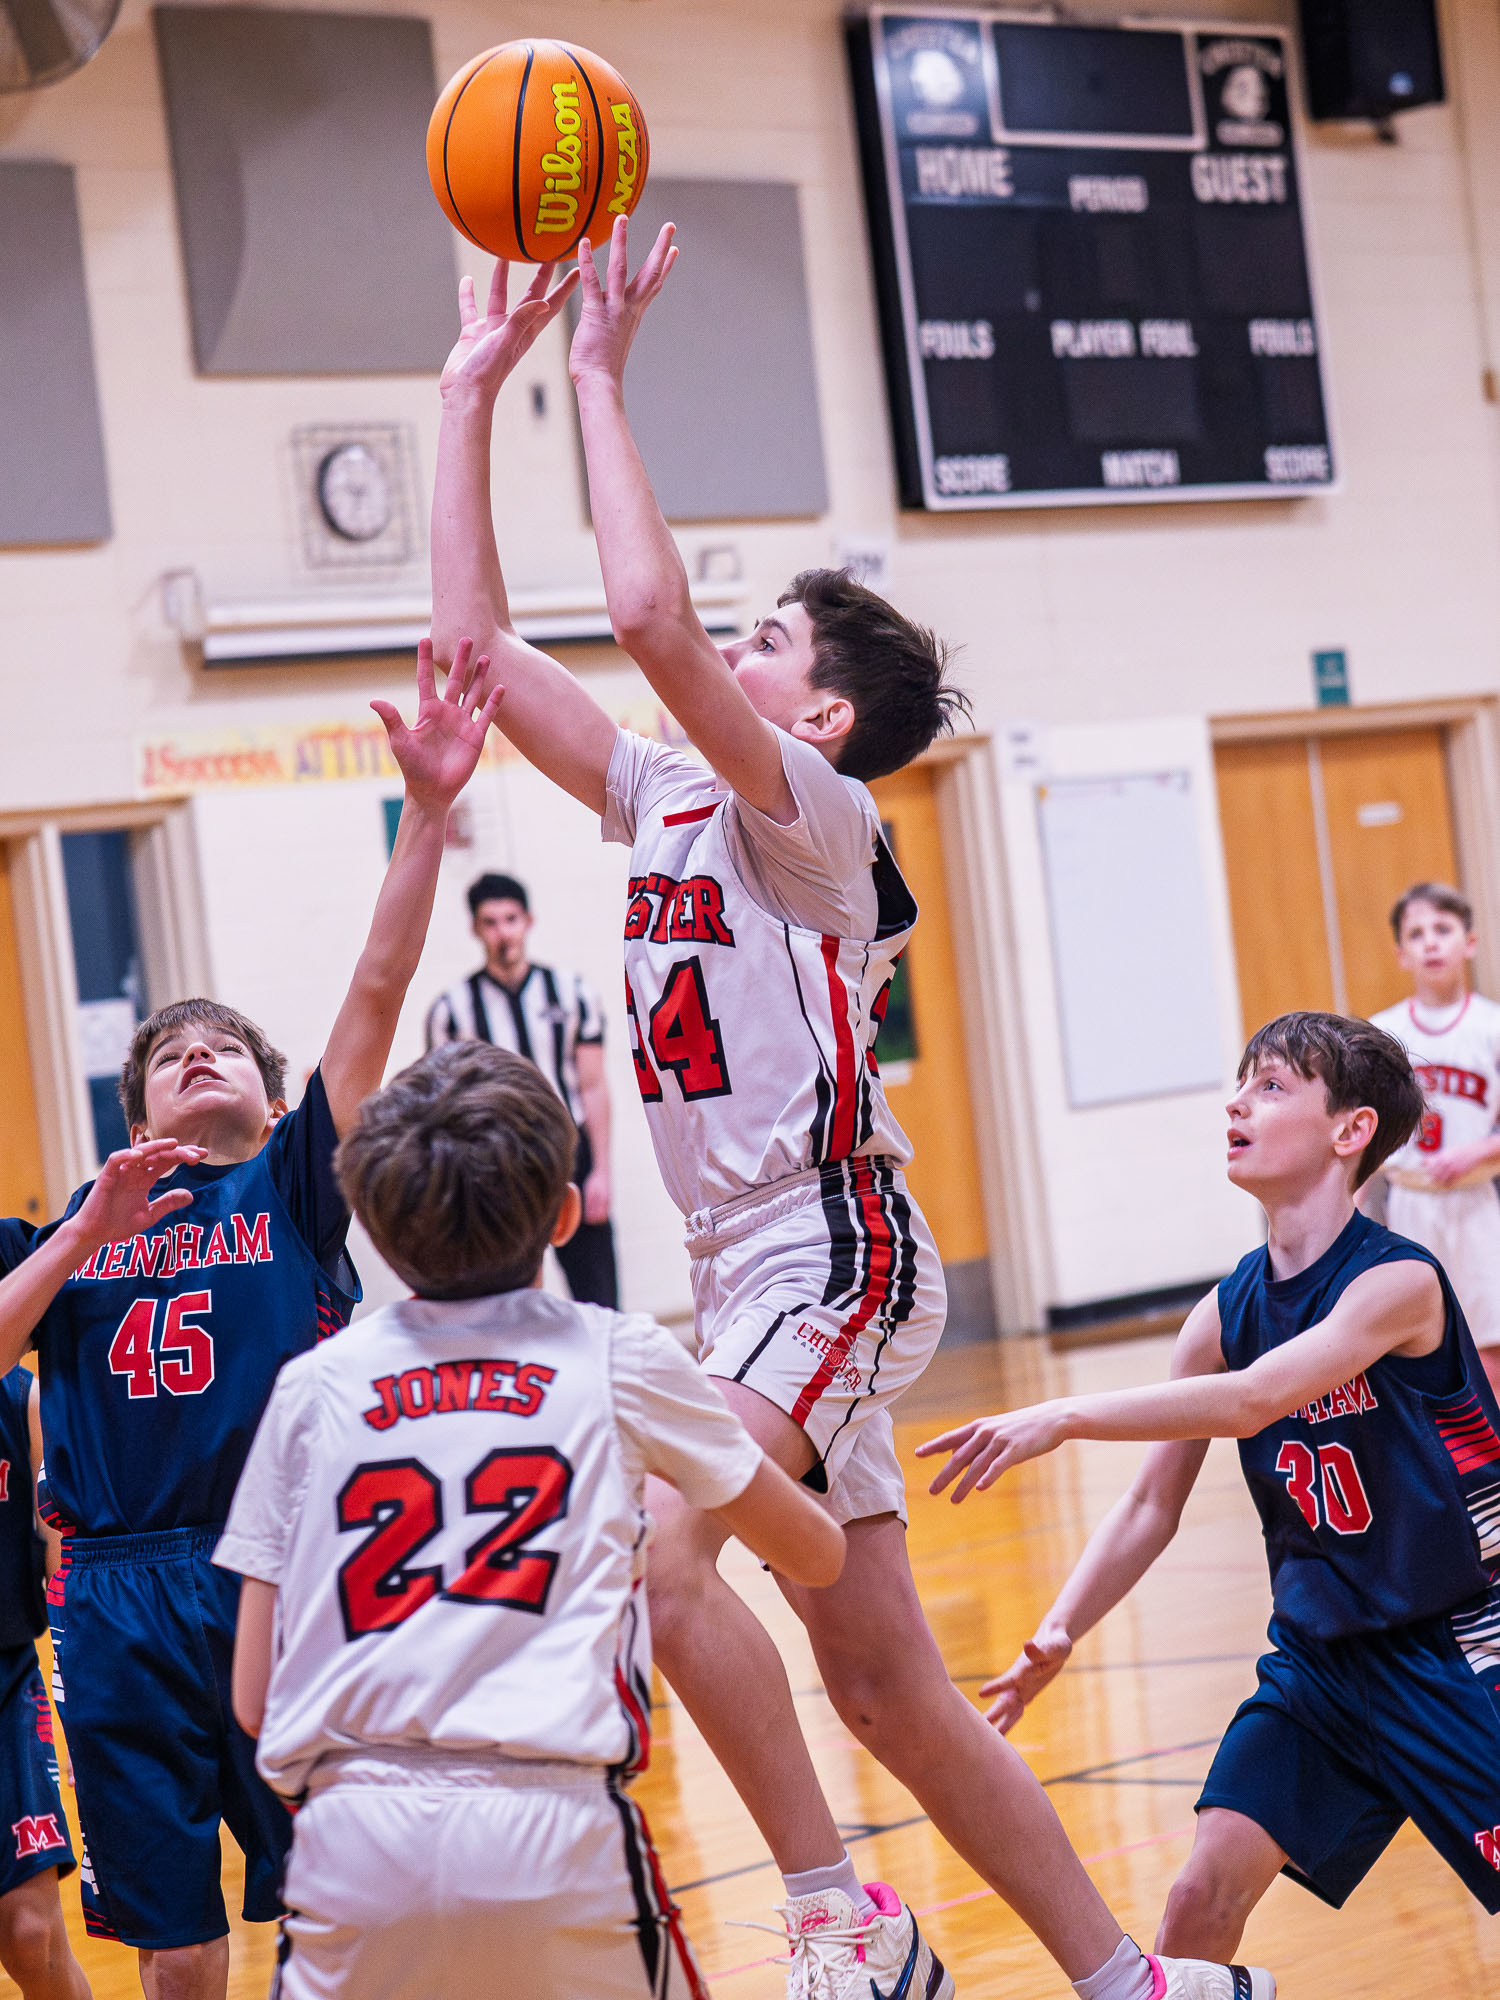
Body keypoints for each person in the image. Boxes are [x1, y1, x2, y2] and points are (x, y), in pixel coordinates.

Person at [427, 225, 1271, 2000]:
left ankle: (842, 1923)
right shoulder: (665, 791)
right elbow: (478, 653)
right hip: (737, 1269)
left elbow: (644, 618)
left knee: (657, 1549)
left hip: (830, 1248)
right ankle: (1131, 1981)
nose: (726, 645)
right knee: (884, 1685)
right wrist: (466, 392)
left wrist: (598, 369)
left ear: (819, 712)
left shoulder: (817, 814)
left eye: (767, 638)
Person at [0, 640, 501, 2000]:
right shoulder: (73, 1228)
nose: (197, 1053)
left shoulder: (290, 1182)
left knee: (338, 1900)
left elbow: (378, 987)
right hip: (112, 1596)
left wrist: (429, 812)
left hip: (284, 1567)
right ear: (134, 1114)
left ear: (276, 1104)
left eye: (223, 1044)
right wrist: (82, 1238)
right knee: (176, 1935)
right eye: (171, 1054)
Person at [214, 1041, 844, 2000]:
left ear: (372, 1228)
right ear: (563, 1215)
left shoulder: (310, 1388)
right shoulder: (618, 1354)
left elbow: (255, 1699)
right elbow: (818, 1554)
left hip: (352, 1838)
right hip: (555, 1824)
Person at [922, 1012, 1500, 1964]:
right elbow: (1152, 1505)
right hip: (1319, 1663)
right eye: (1240, 1084)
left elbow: (1253, 1401)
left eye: (1270, 1087)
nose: (1236, 1104)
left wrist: (1064, 1415)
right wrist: (1059, 1629)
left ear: (1351, 1130)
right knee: (1199, 1896)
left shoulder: (1397, 1284)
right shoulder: (1224, 1315)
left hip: (1458, 1647)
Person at [425, 870, 618, 1307]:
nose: (503, 932)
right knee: (504, 1296)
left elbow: (592, 1086)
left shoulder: (572, 993)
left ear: (528, 922)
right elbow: (446, 1105)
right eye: (490, 922)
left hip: (570, 1151)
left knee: (598, 1294)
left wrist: (601, 1171)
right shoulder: (451, 1011)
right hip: (496, 1160)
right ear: (476, 929)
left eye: (510, 919)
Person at [1368, 881, 1500, 1397]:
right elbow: (1362, 1135)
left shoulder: (1491, 1027)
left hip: (1475, 1199)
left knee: (1488, 1343)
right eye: (1417, 934)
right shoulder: (1383, 1035)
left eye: (1442, 929)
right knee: (1419, 1346)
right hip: (1408, 1203)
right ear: (1401, 954)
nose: (1431, 943)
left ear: (1469, 942)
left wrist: (1479, 1151)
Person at [0, 1365, 90, 2000]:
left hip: (6, 1679)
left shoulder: (21, 1395)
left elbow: (60, 1559)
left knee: (31, 1933)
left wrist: (77, 1696)